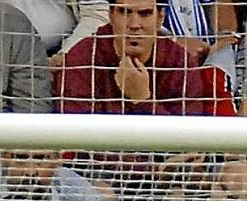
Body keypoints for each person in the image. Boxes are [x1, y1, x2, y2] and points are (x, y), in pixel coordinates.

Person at [58, 0, 207, 115]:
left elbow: (186, 139)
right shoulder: (82, 58)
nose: (134, 24)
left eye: (145, 14)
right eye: (124, 12)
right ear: (110, 14)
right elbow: (77, 140)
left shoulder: (179, 62)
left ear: (160, 18)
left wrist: (142, 99)